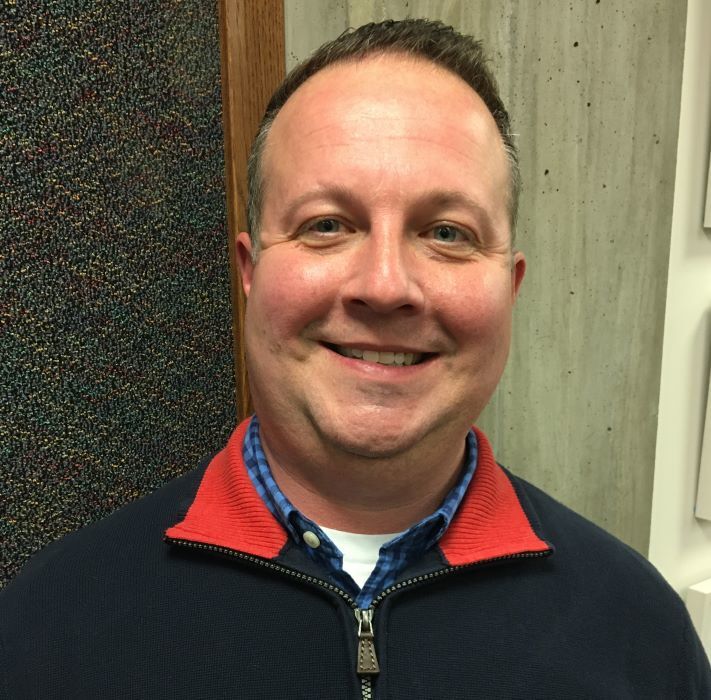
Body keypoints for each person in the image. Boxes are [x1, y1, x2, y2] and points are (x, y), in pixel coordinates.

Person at [1, 18, 709, 700]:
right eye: (327, 225)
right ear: (250, 272)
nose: (385, 285)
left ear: (510, 288)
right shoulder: (47, 631)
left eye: (447, 232)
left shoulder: (641, 636)